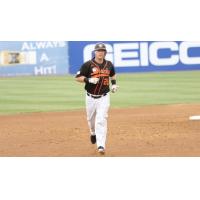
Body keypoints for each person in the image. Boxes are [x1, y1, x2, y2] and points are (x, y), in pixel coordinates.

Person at [75, 42, 118, 154]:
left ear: (105, 53)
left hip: (104, 97)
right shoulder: (88, 64)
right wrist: (88, 80)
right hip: (90, 97)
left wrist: (113, 84)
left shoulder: (109, 64)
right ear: (95, 52)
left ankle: (101, 145)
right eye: (98, 51)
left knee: (101, 120)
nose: (100, 53)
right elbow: (77, 77)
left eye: (102, 51)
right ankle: (92, 132)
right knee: (91, 120)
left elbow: (112, 74)